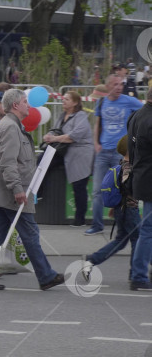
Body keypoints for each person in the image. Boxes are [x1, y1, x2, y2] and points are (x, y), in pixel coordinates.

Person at [0, 89, 64, 291]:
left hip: (3, 194)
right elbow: (8, 163)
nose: (28, 105)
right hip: (10, 194)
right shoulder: (10, 127)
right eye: (24, 102)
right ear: (15, 106)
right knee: (30, 233)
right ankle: (46, 276)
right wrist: (17, 189)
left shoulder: (10, 125)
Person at [86, 74, 142, 235]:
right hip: (103, 152)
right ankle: (97, 225)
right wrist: (96, 143)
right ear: (109, 85)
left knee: (123, 190)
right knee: (98, 190)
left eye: (121, 84)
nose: (119, 87)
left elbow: (145, 110)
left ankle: (122, 226)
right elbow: (98, 124)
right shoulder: (101, 102)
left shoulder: (128, 100)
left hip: (121, 154)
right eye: (116, 84)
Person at [81, 136, 140, 283]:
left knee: (121, 240)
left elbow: (120, 187)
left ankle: (91, 260)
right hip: (129, 209)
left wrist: (116, 206)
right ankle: (135, 275)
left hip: (122, 209)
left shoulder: (121, 164)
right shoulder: (130, 166)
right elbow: (126, 186)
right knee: (138, 241)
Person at [42, 91, 93, 227]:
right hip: (64, 151)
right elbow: (56, 130)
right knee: (43, 160)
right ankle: (38, 192)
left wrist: (54, 138)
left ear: (75, 103)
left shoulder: (81, 116)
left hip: (80, 153)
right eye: (63, 98)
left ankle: (80, 219)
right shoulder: (61, 115)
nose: (63, 101)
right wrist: (48, 136)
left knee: (79, 185)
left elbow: (73, 136)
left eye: (67, 99)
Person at [127, 92, 152, 290]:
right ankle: (139, 276)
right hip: (149, 178)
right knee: (148, 230)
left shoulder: (136, 115)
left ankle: (139, 272)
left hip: (141, 176)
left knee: (148, 229)